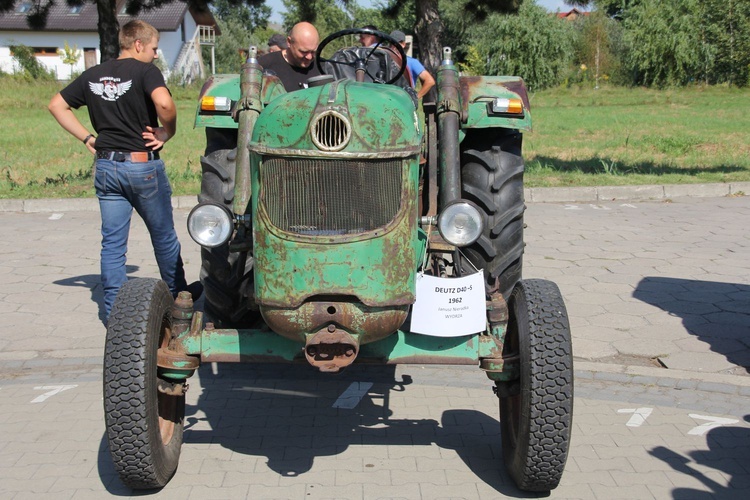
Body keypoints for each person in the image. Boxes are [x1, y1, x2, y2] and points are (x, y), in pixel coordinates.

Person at [48, 19, 198, 321]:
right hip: (142, 168)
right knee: (164, 237)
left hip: (106, 166)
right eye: (154, 48)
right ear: (139, 44)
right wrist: (167, 132)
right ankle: (178, 298)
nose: (156, 54)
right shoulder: (145, 71)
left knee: (113, 244)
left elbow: (56, 105)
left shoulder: (92, 74)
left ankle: (113, 312)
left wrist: (88, 138)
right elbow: (165, 104)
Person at [258, 21, 321, 92]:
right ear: (289, 42)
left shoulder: (322, 67)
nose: (309, 57)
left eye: (313, 52)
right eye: (304, 52)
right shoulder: (264, 65)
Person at [390, 30, 435, 100]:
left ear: (403, 44)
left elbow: (430, 81)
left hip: (405, 101)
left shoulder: (412, 62)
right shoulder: (386, 61)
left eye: (396, 44)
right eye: (391, 44)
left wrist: (415, 98)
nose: (393, 47)